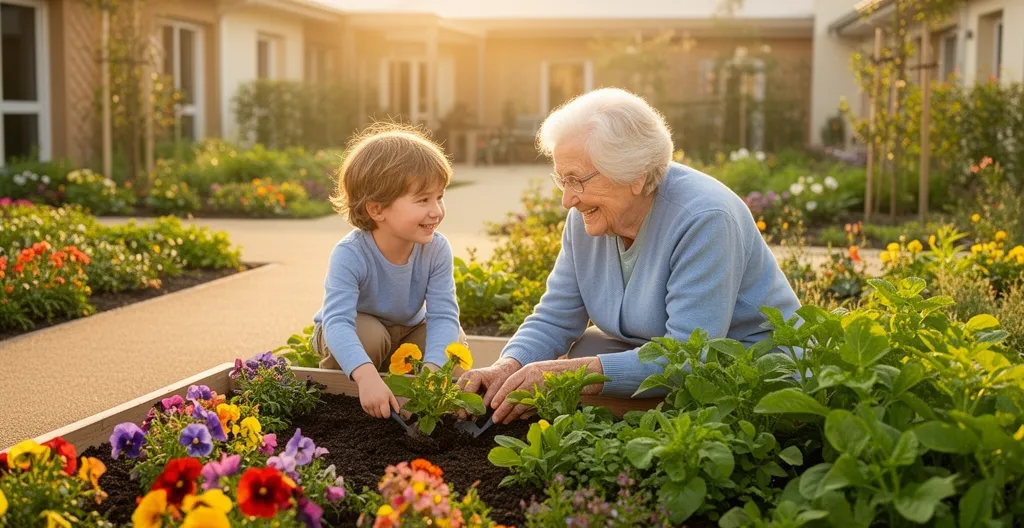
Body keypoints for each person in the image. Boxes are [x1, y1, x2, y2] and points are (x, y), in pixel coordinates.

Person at [459, 88, 801, 424]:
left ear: (635, 176)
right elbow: (554, 317)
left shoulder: (704, 219)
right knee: (578, 357)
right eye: (561, 179)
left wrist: (561, 374)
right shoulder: (589, 217)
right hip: (655, 350)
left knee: (574, 373)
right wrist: (508, 366)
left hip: (748, 368)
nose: (567, 200)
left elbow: (687, 358)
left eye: (576, 180)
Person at [312, 124, 467, 419]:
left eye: (439, 197)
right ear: (377, 209)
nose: (436, 210)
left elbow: (444, 315)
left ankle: (420, 406)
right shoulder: (350, 253)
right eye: (423, 200)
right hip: (354, 329)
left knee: (451, 345)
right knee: (368, 336)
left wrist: (433, 374)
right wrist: (367, 376)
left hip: (407, 329)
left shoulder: (435, 249)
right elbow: (338, 322)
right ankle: (346, 397)